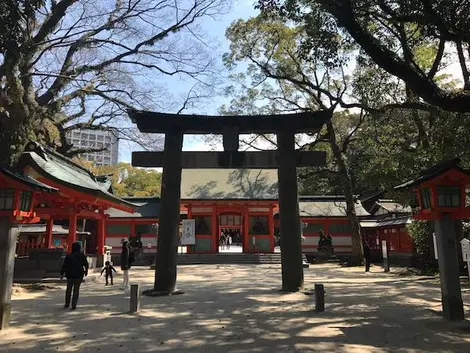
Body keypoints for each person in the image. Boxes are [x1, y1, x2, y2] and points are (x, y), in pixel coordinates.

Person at [60, 241, 89, 310]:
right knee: (76, 290)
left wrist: (62, 273)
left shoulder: (69, 255)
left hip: (69, 275)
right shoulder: (82, 255)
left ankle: (67, 303)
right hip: (79, 275)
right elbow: (86, 264)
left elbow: (64, 265)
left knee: (68, 289)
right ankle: (74, 304)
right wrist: (86, 271)